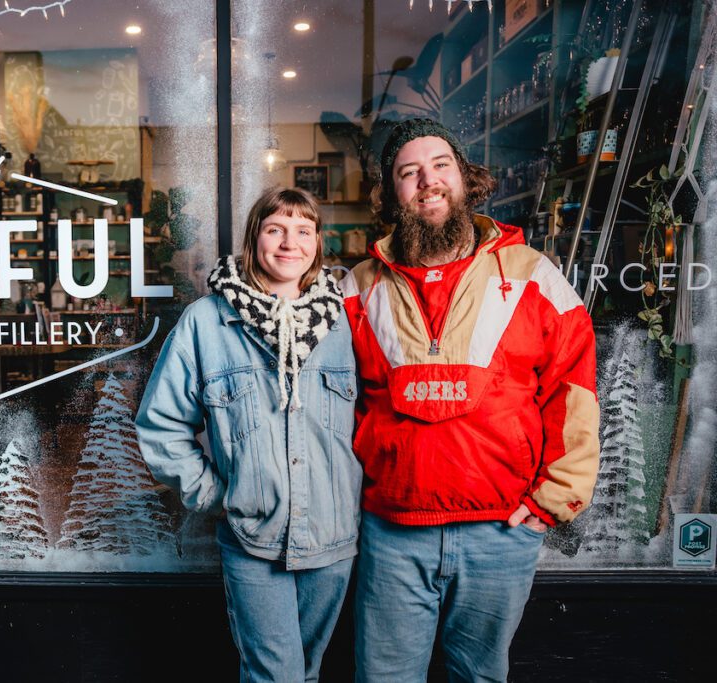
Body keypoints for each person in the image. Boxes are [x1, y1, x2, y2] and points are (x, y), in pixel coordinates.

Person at [342, 119, 600, 683]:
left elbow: (573, 386)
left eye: (441, 166)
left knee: (479, 677)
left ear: (466, 179)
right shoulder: (358, 287)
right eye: (409, 172)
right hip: (392, 530)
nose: (427, 181)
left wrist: (554, 499)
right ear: (392, 193)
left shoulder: (532, 274)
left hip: (501, 533)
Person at [136, 187, 362, 683]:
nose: (289, 243)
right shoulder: (208, 322)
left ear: (318, 243)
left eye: (303, 230)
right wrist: (217, 494)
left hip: (333, 537)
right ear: (253, 238)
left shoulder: (348, 321)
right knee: (273, 675)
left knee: (307, 673)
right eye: (275, 229)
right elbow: (161, 426)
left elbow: (374, 419)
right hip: (253, 537)